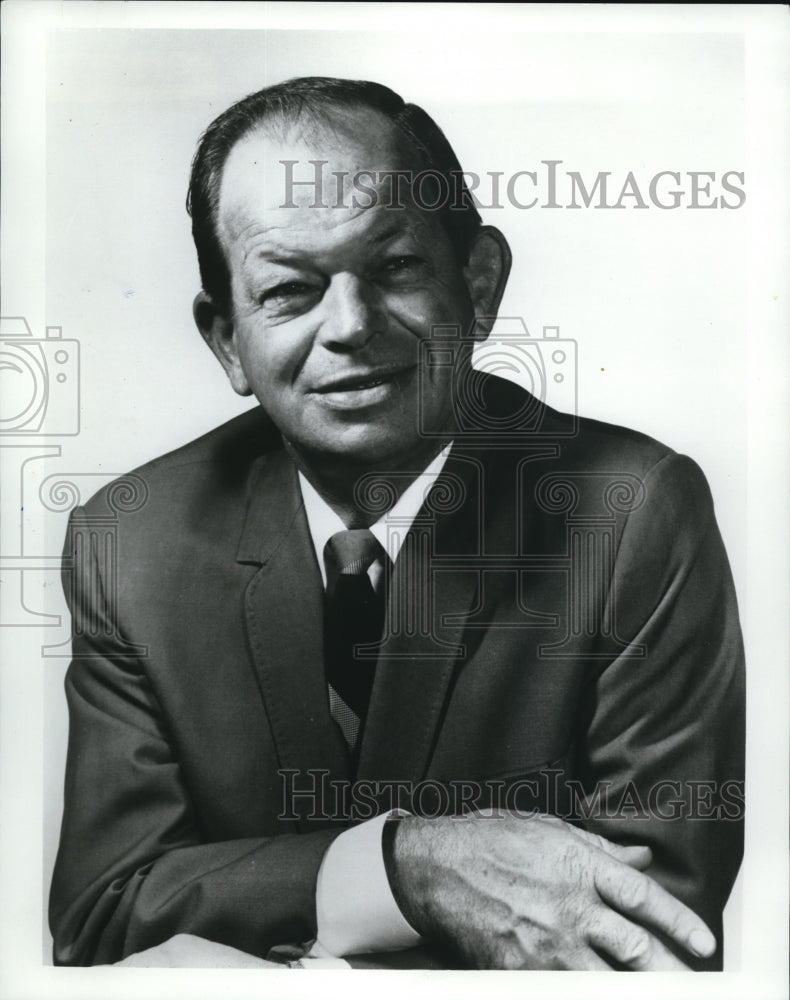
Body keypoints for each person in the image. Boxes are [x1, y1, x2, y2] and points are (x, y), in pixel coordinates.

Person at [49, 77, 744, 971]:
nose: (350, 327)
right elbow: (104, 919)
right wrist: (404, 868)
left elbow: (645, 936)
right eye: (290, 290)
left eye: (396, 268)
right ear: (226, 342)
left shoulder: (634, 510)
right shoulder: (130, 542)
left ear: (480, 284)